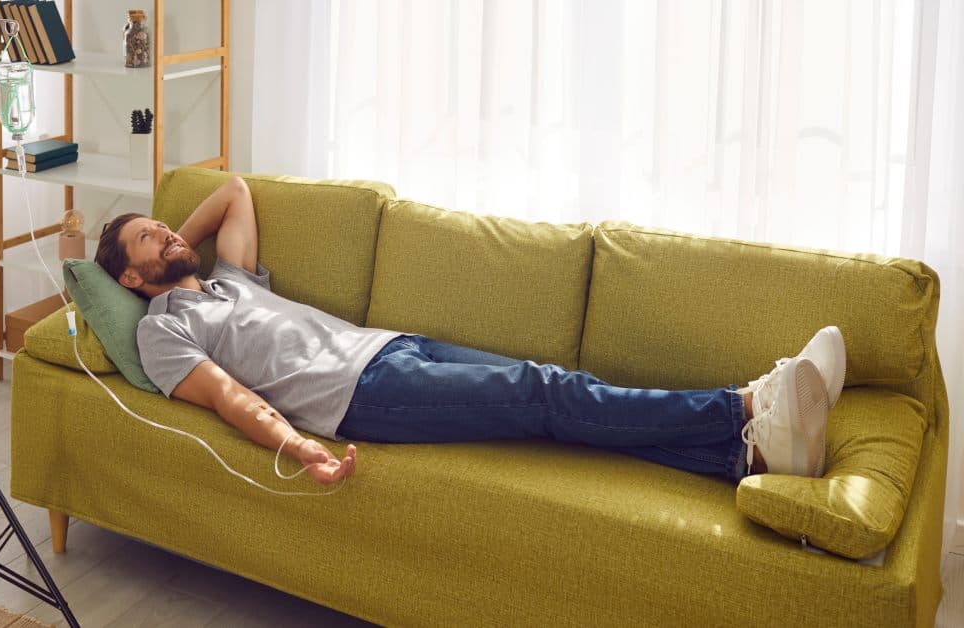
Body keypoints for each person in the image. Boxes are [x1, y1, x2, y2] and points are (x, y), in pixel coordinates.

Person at [95, 178, 846, 486]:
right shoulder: (164, 329)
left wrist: (164, 238)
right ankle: (744, 405)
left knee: (550, 402)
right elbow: (228, 400)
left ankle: (743, 458)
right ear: (130, 280)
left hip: (390, 346)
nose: (165, 238)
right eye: (148, 245)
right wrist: (300, 449)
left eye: (164, 229)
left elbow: (233, 191)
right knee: (546, 390)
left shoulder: (227, 280)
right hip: (360, 396)